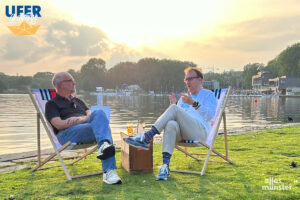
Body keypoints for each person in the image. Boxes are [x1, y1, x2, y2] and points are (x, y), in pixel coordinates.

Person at [124, 67, 217, 181]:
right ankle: (165, 166)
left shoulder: (208, 95)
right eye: (186, 79)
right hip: (184, 133)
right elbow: (174, 116)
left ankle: (146, 137)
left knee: (174, 109)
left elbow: (210, 116)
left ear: (200, 80)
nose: (187, 82)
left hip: (200, 133)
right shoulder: (183, 99)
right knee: (171, 124)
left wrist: (193, 103)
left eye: (190, 79)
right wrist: (172, 105)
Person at [45, 72, 122, 185]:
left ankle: (104, 147)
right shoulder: (51, 104)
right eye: (71, 80)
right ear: (61, 84)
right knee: (103, 128)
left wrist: (80, 119)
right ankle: (108, 170)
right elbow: (59, 124)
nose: (74, 83)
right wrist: (82, 119)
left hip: (85, 129)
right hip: (67, 134)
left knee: (100, 113)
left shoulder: (78, 101)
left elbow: (91, 115)